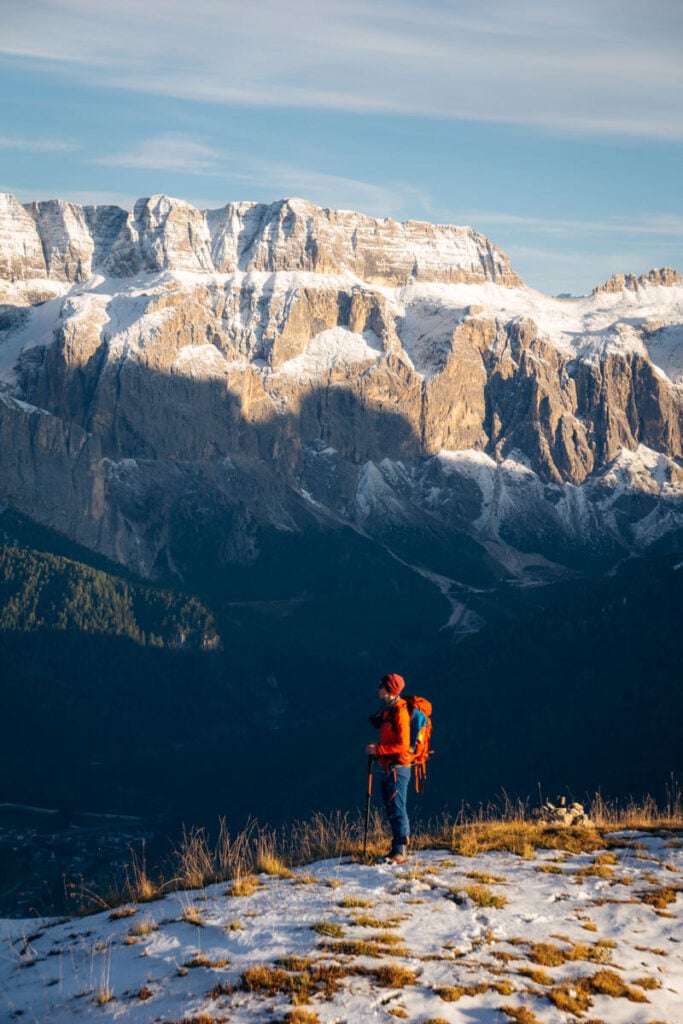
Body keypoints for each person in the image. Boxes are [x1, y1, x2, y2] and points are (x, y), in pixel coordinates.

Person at [367, 672, 411, 864]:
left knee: (397, 808)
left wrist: (379, 749)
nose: (378, 689)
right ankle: (397, 849)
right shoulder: (389, 711)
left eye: (381, 686)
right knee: (393, 808)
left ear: (390, 689)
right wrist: (379, 751)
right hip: (390, 767)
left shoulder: (399, 713)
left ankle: (400, 850)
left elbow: (403, 744)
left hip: (398, 768)